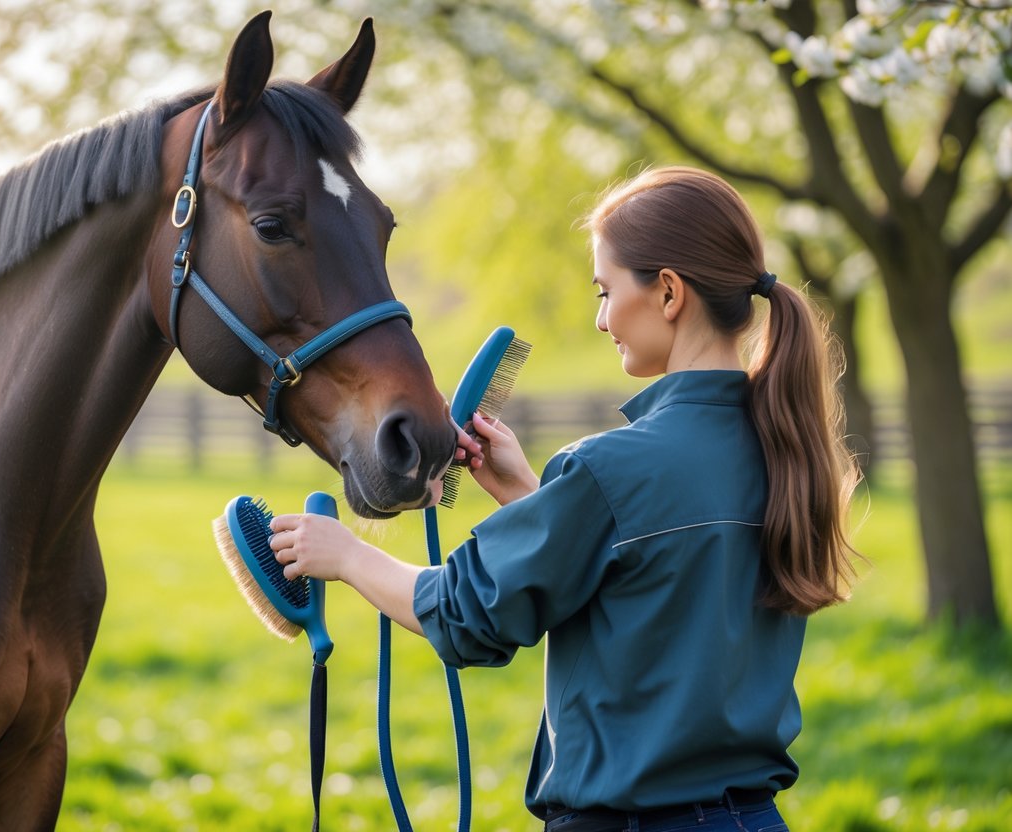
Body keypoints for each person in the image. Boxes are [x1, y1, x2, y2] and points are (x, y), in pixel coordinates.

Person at [268, 166, 862, 831]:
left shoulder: (612, 468)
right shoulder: (784, 451)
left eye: (605, 291)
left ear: (667, 292)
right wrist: (529, 496)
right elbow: (642, 583)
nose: (602, 318)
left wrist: (345, 556)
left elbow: (466, 616)